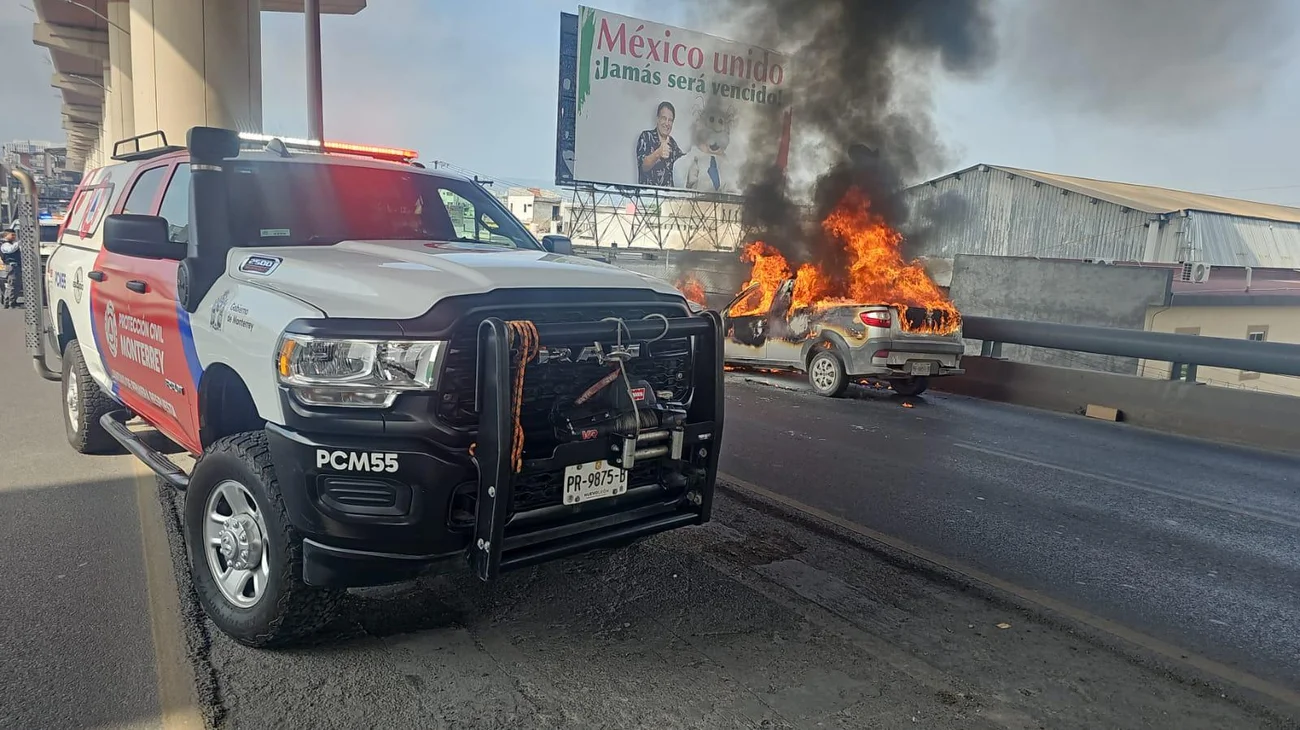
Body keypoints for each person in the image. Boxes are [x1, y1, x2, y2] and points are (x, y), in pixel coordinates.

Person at [635, 101, 684, 187]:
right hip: (648, 194)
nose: (667, 123)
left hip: (669, 195)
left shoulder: (673, 144)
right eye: (664, 118)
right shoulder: (646, 136)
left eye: (670, 120)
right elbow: (643, 166)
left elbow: (683, 163)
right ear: (658, 119)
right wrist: (658, 153)